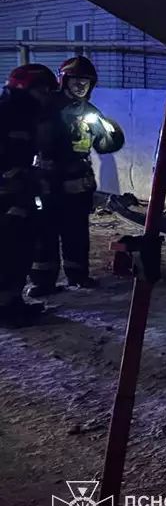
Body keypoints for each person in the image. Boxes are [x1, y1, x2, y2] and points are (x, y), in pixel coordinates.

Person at [29, 56, 125, 295]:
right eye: (76, 81)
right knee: (43, 233)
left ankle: (78, 276)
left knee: (77, 232)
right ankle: (43, 282)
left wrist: (111, 131)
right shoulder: (45, 106)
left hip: (77, 182)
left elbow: (105, 146)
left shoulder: (91, 112)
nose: (81, 86)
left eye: (86, 82)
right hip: (46, 181)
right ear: (64, 81)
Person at [0, 64, 58, 325]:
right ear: (26, 88)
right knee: (7, 248)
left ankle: (13, 301)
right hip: (4, 197)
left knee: (20, 245)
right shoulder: (5, 114)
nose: (47, 96)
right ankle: (5, 310)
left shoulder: (25, 116)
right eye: (43, 90)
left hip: (17, 194)